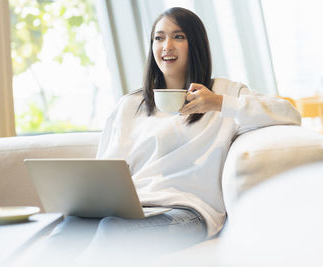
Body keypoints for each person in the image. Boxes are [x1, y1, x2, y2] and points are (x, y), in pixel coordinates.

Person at [25, 7, 301, 266]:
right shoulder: (130, 105)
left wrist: (219, 103)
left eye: (178, 37)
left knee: (113, 231)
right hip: (134, 208)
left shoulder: (222, 92)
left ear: (195, 45)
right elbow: (106, 170)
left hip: (187, 213)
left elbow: (288, 113)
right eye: (159, 38)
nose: (166, 46)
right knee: (71, 225)